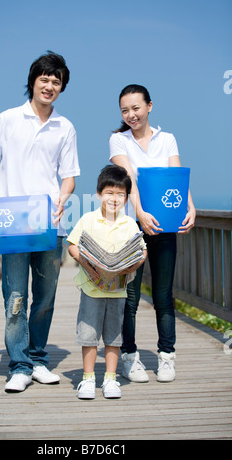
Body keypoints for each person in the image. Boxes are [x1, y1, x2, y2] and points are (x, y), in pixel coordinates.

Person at [0, 51, 80, 392]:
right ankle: (19, 365)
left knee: (44, 298)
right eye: (44, 79)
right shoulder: (7, 119)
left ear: (61, 88)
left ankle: (39, 360)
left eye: (56, 81)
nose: (49, 85)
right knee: (15, 296)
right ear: (32, 81)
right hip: (12, 224)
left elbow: (69, 175)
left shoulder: (66, 127)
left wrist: (63, 196)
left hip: (50, 224)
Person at [109, 84, 196, 383]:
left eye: (136, 108)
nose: (131, 114)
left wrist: (191, 207)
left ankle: (167, 356)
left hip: (164, 227)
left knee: (163, 295)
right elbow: (128, 178)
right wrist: (141, 213)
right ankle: (129, 357)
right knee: (130, 298)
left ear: (149, 106)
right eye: (125, 110)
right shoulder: (118, 140)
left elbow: (177, 177)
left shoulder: (167, 139)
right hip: (131, 227)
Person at [67, 165, 147, 399]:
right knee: (89, 335)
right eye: (109, 193)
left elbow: (142, 252)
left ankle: (110, 380)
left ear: (126, 197)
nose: (114, 198)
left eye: (120, 194)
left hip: (118, 290)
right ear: (99, 193)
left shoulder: (130, 223)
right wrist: (87, 265)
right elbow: (72, 245)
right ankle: (88, 379)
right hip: (91, 288)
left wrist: (131, 267)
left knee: (114, 336)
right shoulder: (87, 219)